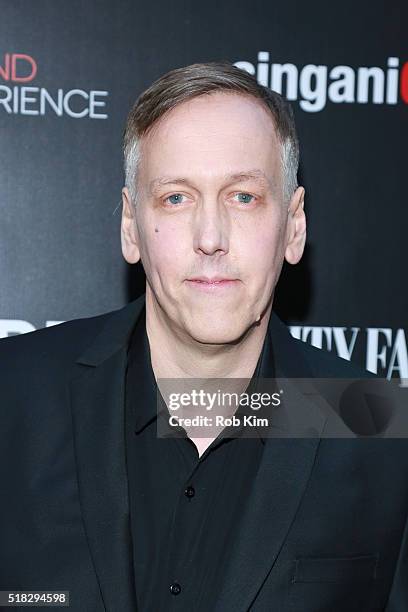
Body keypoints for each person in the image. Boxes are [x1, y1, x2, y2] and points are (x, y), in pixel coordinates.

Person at [0, 61, 407, 612]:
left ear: (294, 227)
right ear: (129, 227)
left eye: (243, 197)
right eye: (176, 198)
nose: (210, 238)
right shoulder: (14, 396)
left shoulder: (379, 428)